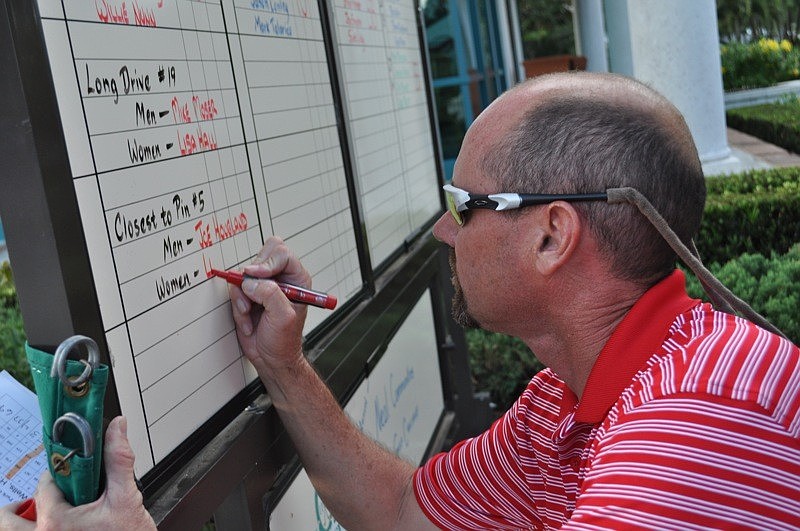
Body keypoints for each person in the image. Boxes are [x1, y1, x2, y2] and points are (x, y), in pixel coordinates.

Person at [3, 71, 799, 528]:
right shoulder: (569, 400)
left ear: (552, 237)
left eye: (466, 204)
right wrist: (284, 366)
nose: (446, 235)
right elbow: (402, 511)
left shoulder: (696, 423)